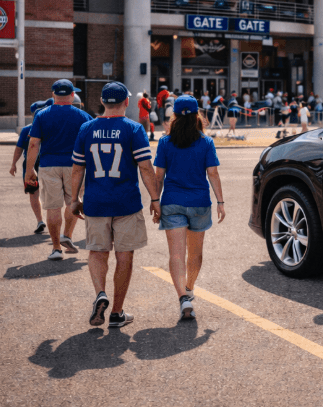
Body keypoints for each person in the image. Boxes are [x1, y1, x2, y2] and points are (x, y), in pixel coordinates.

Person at [69, 82, 159, 328]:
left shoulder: (86, 128)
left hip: (95, 201)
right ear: (126, 102)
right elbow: (145, 167)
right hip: (126, 202)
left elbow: (77, 168)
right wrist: (155, 198)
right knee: (124, 256)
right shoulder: (133, 129)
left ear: (102, 102)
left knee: (97, 252)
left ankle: (100, 293)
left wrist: (73, 199)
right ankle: (117, 313)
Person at [152, 96, 225, 320]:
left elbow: (159, 176)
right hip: (199, 203)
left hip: (172, 202)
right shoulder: (206, 142)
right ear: (197, 115)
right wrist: (221, 202)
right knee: (195, 253)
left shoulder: (165, 142)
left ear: (174, 116)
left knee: (176, 254)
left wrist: (155, 201)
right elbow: (212, 173)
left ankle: (182, 297)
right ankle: (190, 288)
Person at [25, 79, 92, 261]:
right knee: (73, 202)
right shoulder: (83, 117)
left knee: (53, 207)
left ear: (53, 94)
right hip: (76, 166)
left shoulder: (41, 115)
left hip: (48, 165)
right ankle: (67, 236)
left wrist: (29, 169)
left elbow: (33, 144)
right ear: (72, 95)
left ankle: (55, 249)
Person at [10, 99, 53, 234]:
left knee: (33, 192)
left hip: (30, 163)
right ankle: (53, 220)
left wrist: (13, 164)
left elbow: (19, 149)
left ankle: (40, 220)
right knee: (53, 192)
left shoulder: (27, 129)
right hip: (49, 162)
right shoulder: (52, 128)